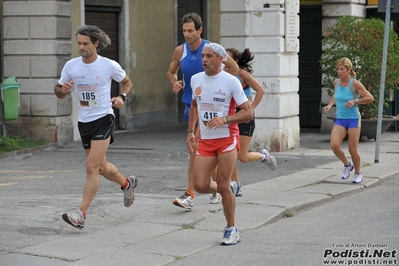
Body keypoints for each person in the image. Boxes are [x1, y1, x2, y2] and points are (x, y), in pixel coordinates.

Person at [54, 25, 136, 229]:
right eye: (79, 43)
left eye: (85, 44)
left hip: (103, 118)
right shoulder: (71, 66)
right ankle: (127, 184)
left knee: (91, 167)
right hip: (84, 122)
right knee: (101, 168)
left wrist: (121, 97)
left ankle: (81, 214)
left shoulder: (108, 65)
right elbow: (58, 90)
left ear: (96, 44)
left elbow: (127, 83)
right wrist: (62, 90)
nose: (81, 47)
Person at [166, 12, 238, 209]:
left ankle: (192, 193)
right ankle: (220, 187)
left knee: (199, 149)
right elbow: (170, 72)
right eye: (184, 31)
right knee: (197, 149)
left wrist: (218, 85)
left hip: (212, 106)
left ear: (200, 30)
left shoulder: (212, 49)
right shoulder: (180, 51)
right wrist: (175, 83)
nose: (187, 34)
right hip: (192, 105)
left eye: (190, 31)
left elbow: (234, 69)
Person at [187, 42, 253, 245]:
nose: (204, 59)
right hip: (206, 140)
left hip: (227, 138)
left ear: (220, 59)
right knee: (200, 184)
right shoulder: (195, 79)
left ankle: (231, 229)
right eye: (202, 56)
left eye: (209, 56)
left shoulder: (231, 81)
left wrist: (225, 119)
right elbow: (195, 105)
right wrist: (191, 131)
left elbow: (248, 112)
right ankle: (229, 188)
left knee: (222, 185)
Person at [208, 48, 277, 203]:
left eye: (226, 60)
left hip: (244, 117)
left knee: (242, 157)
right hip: (228, 117)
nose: (224, 63)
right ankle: (234, 186)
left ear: (235, 61)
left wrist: (251, 109)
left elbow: (260, 90)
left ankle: (264, 156)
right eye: (222, 59)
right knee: (226, 153)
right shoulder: (220, 75)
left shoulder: (242, 74)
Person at [324, 57, 374, 184]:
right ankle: (347, 165)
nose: (339, 72)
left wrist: (355, 101)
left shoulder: (355, 84)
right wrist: (330, 104)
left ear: (349, 69)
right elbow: (335, 95)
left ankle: (358, 173)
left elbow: (370, 98)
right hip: (340, 119)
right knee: (334, 145)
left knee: (352, 149)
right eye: (338, 69)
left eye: (342, 69)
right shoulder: (336, 82)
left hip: (353, 119)